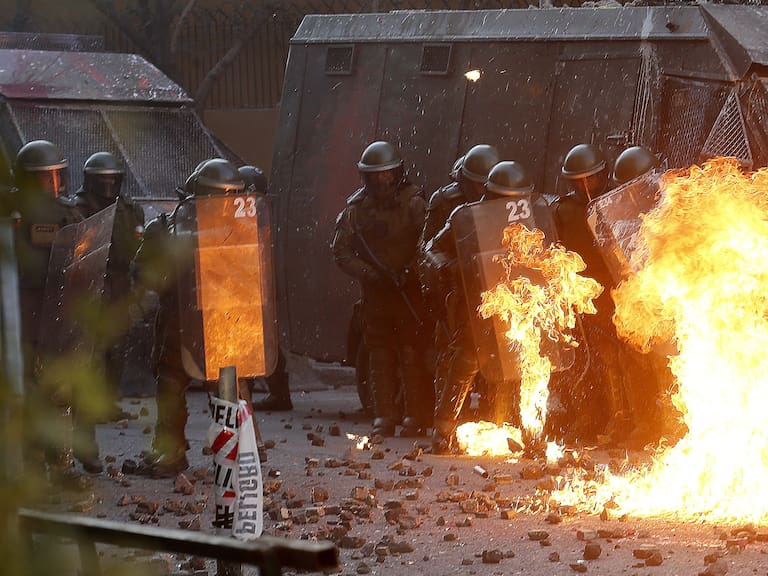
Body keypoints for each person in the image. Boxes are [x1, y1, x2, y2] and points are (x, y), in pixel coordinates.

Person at [424, 160, 550, 453]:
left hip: (520, 299)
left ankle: (530, 433)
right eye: (505, 200)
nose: (512, 206)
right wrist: (451, 268)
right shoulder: (468, 217)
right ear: (491, 196)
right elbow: (432, 249)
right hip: (479, 301)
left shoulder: (534, 217)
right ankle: (443, 431)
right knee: (467, 359)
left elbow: (549, 250)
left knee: (529, 361)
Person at [133, 158, 246, 477]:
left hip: (221, 322)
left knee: (225, 391)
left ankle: (229, 453)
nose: (221, 205)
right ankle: (171, 455)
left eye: (227, 197)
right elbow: (142, 270)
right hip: (179, 323)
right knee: (171, 386)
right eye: (216, 196)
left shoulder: (240, 232)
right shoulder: (166, 228)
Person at [331, 141, 429, 437]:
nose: (380, 181)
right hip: (376, 296)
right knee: (379, 355)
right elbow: (341, 252)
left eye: (386, 175)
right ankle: (384, 416)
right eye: (374, 176)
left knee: (412, 353)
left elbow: (428, 242)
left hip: (408, 291)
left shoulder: (414, 203)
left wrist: (411, 270)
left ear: (397, 173)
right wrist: (371, 275)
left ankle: (415, 416)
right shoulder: (356, 210)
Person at [7, 140, 87, 476]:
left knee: (28, 388)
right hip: (58, 316)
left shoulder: (9, 214)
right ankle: (61, 463)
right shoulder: (69, 214)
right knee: (58, 391)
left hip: (21, 319)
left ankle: (34, 464)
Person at [550, 143, 627, 444]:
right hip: (576, 294)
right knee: (577, 360)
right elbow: (553, 249)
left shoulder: (616, 203)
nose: (585, 186)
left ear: (602, 175)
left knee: (611, 359)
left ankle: (619, 418)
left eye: (591, 179)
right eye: (578, 181)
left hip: (613, 294)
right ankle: (584, 419)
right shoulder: (563, 211)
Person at [418, 145, 500, 424]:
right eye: (474, 182)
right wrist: (446, 269)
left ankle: (495, 414)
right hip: (457, 285)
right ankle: (449, 416)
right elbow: (429, 245)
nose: (478, 189)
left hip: (495, 287)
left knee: (500, 353)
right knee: (455, 353)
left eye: (483, 183)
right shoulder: (448, 204)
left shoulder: (504, 200)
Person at [72, 152, 145, 426]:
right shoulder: (79, 208)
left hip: (120, 284)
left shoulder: (129, 209)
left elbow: (138, 245)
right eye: (102, 180)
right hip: (90, 284)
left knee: (117, 347)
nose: (107, 185)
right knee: (90, 348)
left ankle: (109, 401)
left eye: (112, 180)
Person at [237, 165, 292, 412]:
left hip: (253, 284)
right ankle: (276, 392)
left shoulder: (254, 214)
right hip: (258, 284)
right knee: (263, 340)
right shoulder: (266, 211)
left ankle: (245, 394)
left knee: (250, 341)